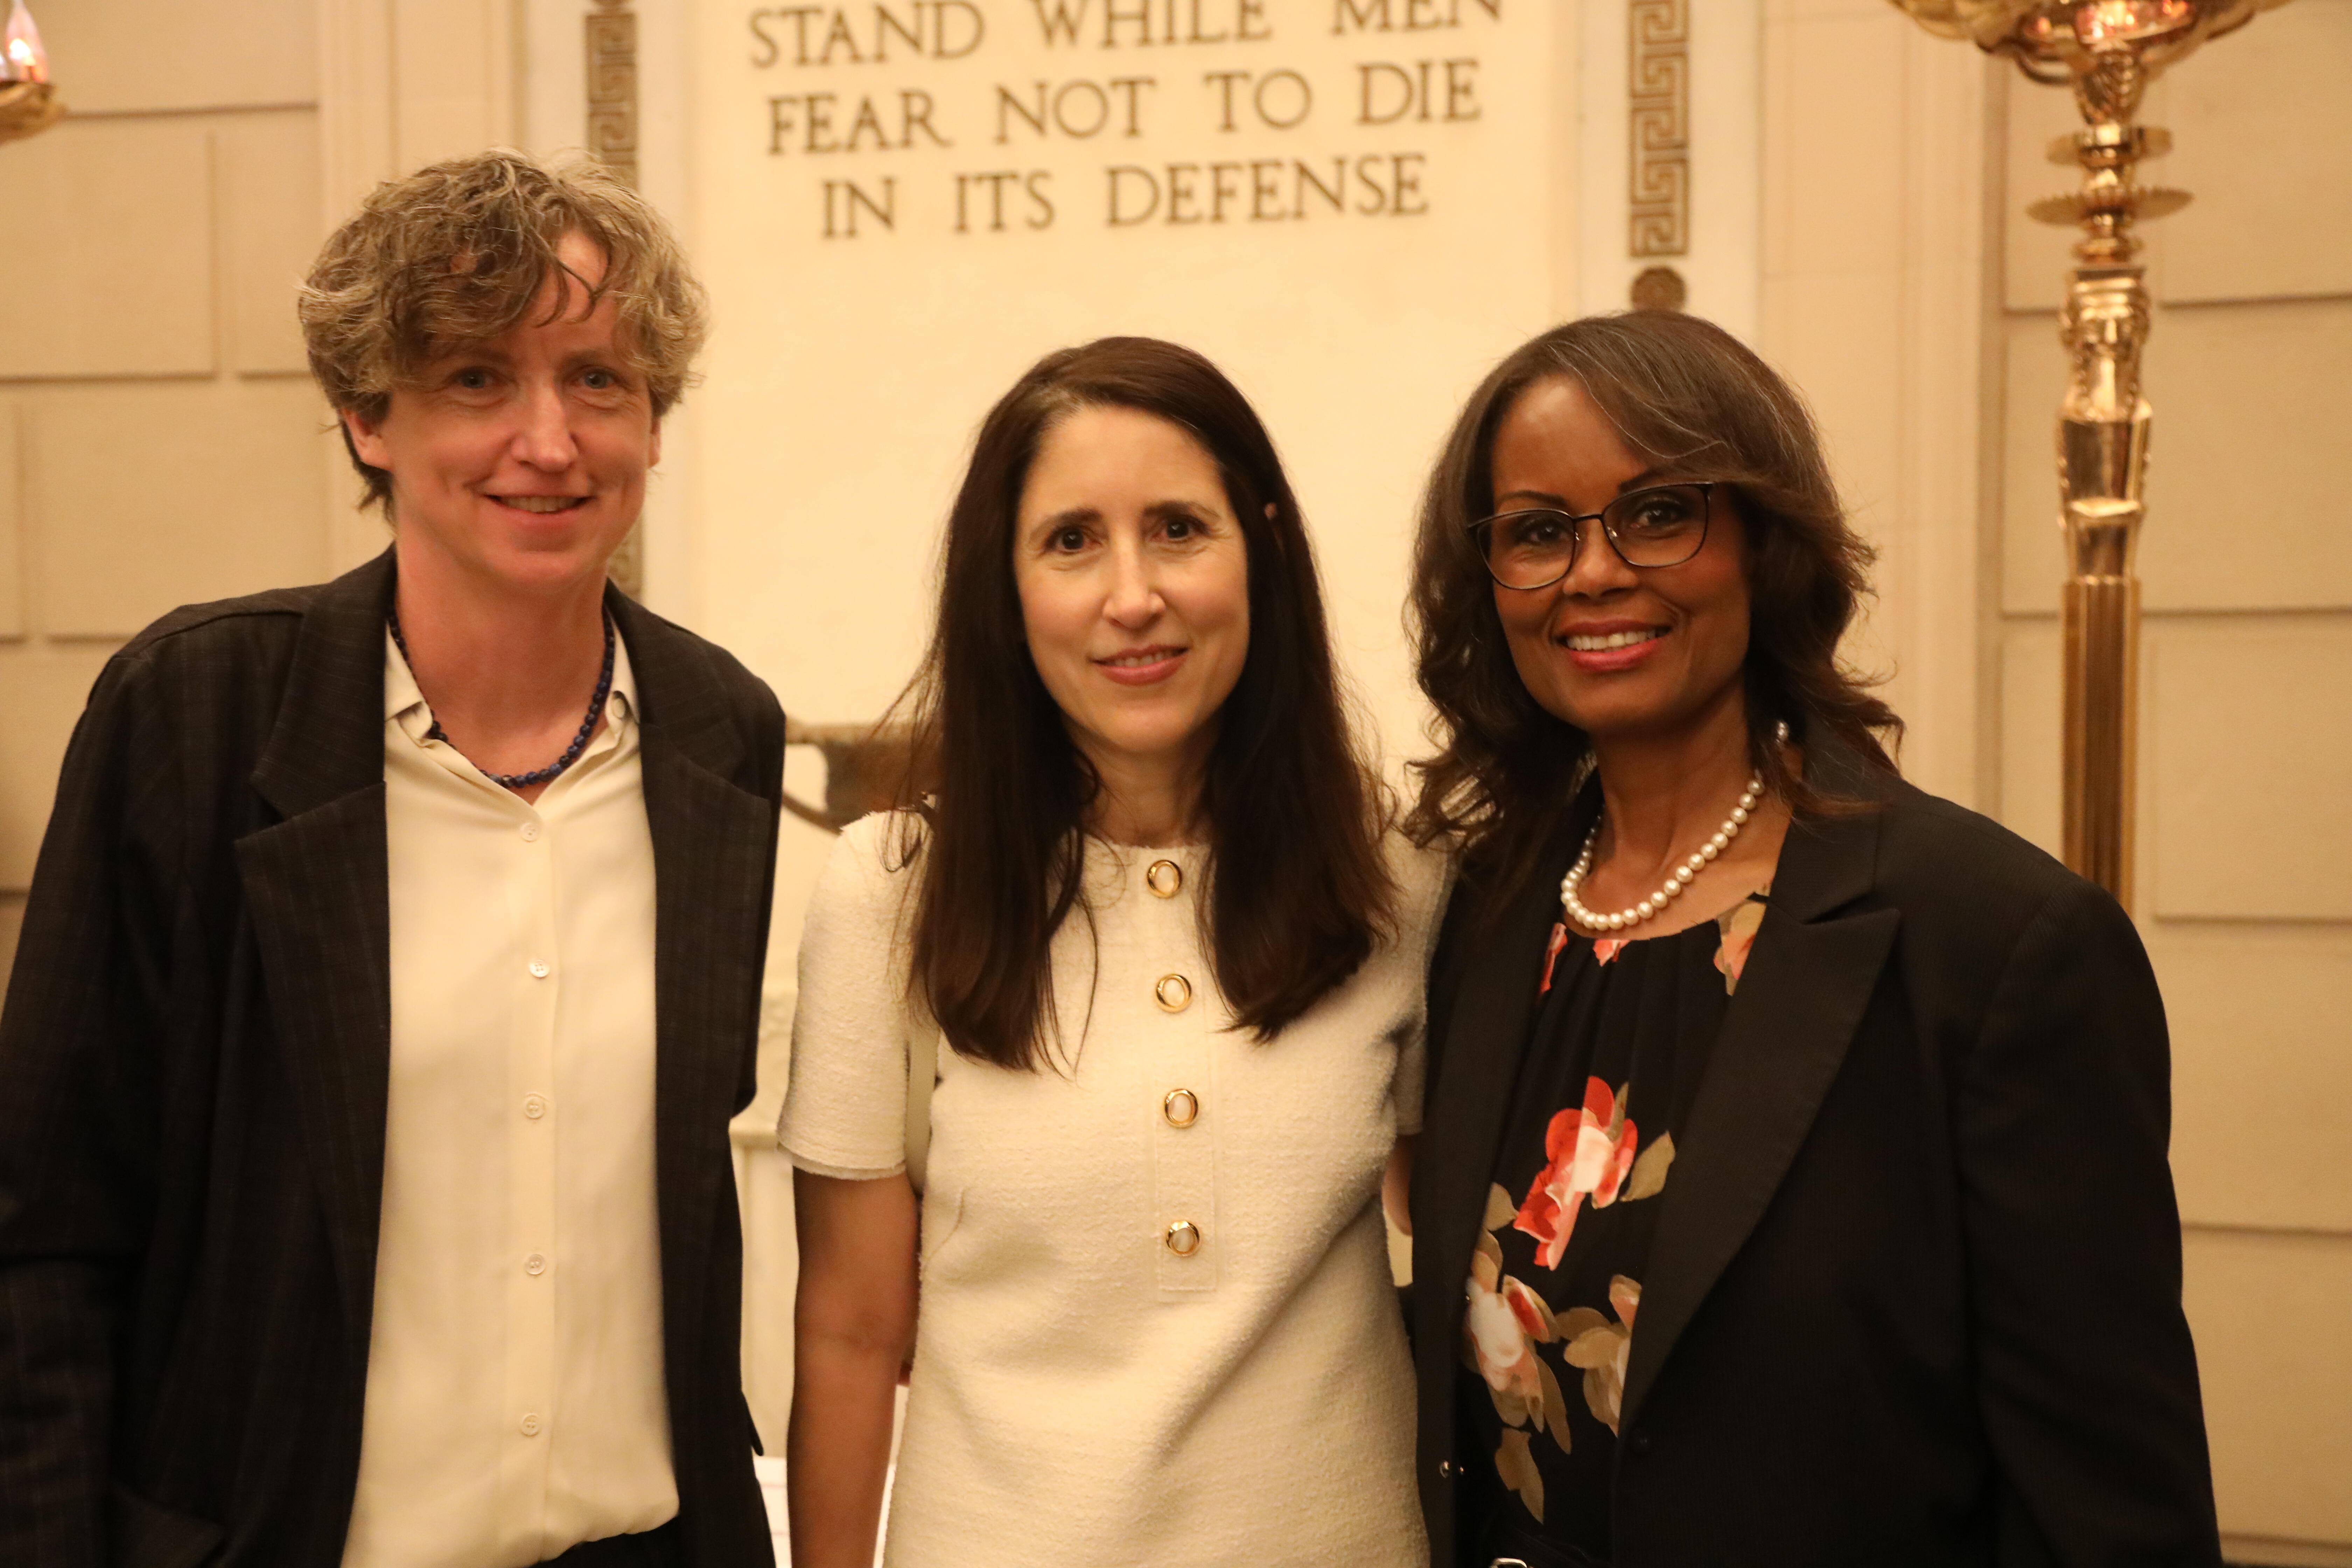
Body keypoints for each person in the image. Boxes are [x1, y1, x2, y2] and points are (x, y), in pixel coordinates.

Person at [0, 151, 784, 1566]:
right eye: (476, 378)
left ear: (656, 420)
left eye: (598, 379)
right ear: (368, 416)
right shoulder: (196, 715)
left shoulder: (720, 731)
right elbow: (44, 1239)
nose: (547, 441)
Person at [1402, 312, 2220, 1568]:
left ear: (1763, 546)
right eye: (1537, 532)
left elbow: (2107, 1507)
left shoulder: (1994, 947)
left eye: (1657, 513)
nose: (1594, 573)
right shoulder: (1481, 922)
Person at [779, 337, 1443, 1568]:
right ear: (1006, 589)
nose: (1132, 595)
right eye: (1072, 539)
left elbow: (1471, 1253)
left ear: (1262, 554)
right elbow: (853, 1334)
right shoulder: (890, 889)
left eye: (1179, 529)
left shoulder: (1401, 878)